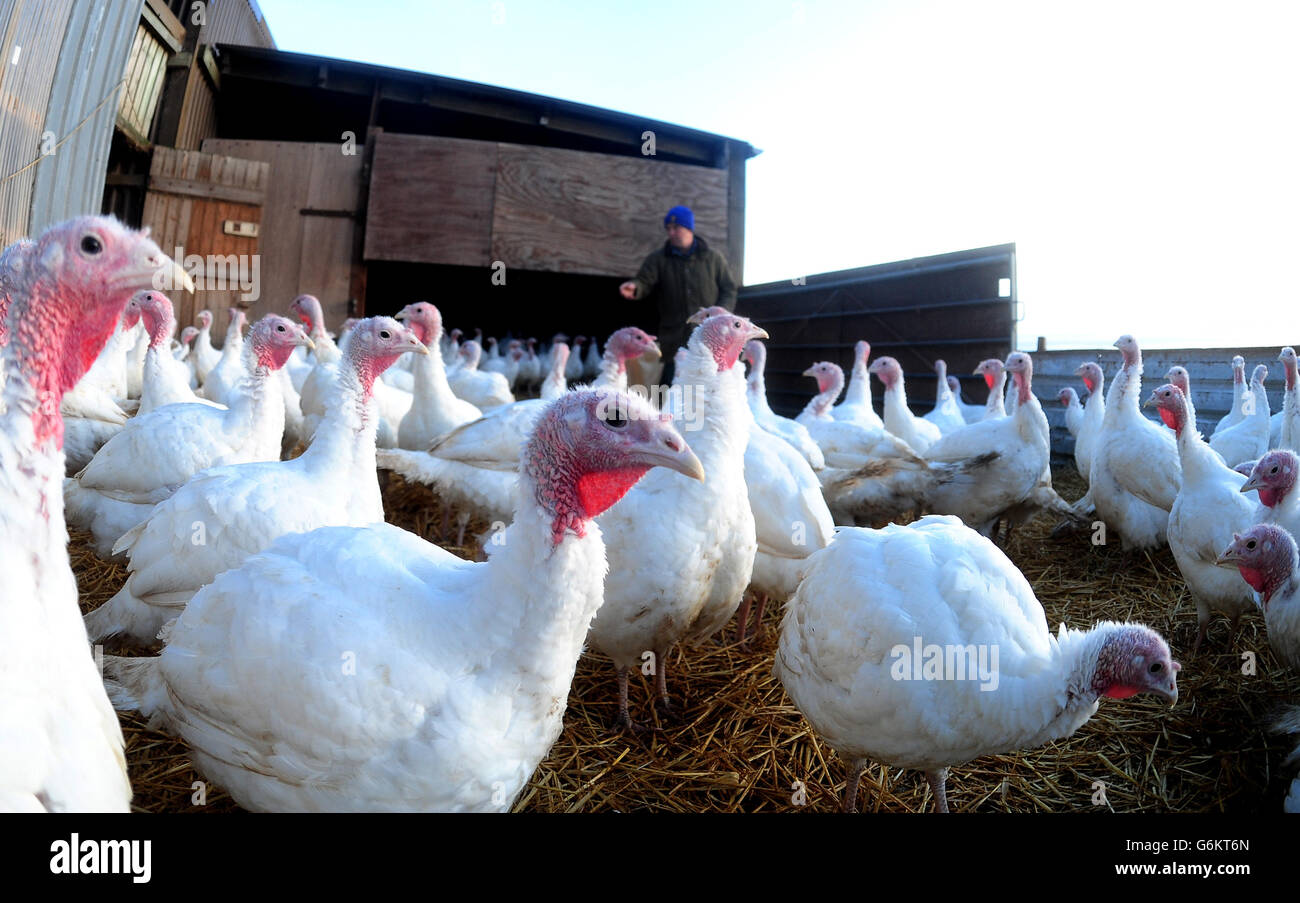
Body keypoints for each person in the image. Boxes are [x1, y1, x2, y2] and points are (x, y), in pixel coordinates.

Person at [619, 205, 737, 386]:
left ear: (689, 228)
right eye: (668, 229)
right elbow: (644, 280)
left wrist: (721, 315)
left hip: (710, 339)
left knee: (709, 386)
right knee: (672, 388)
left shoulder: (713, 258)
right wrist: (635, 287)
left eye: (676, 228)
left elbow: (729, 288)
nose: (671, 232)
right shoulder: (659, 259)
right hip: (673, 338)